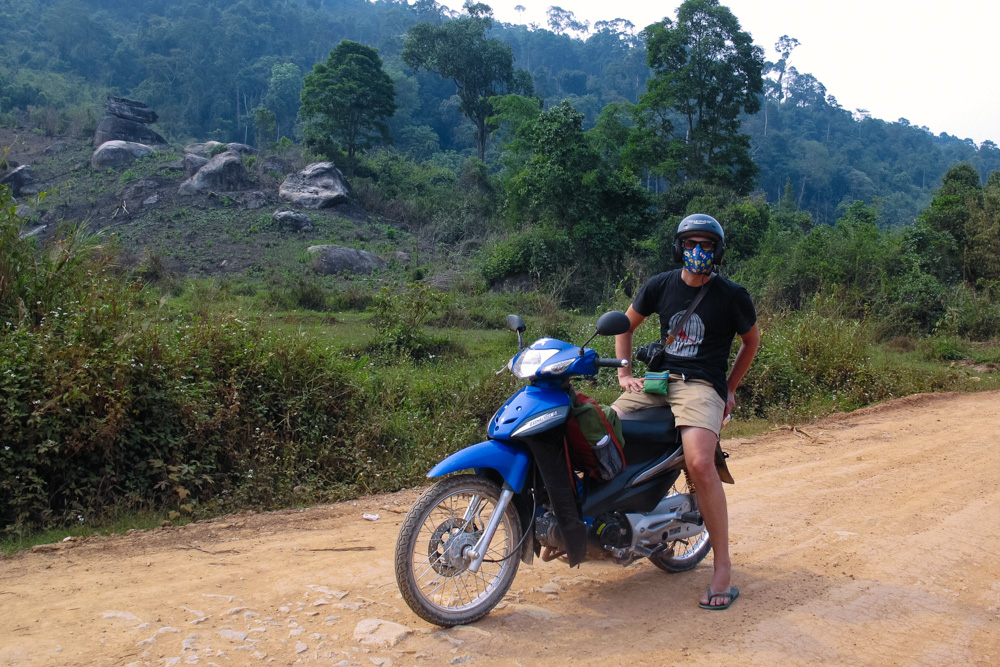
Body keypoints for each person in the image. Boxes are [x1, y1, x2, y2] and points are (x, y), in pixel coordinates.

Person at [611, 213, 760, 610]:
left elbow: (751, 342)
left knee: (699, 462)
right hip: (658, 383)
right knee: (602, 430)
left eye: (706, 245)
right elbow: (624, 325)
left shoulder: (731, 295)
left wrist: (729, 388)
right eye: (691, 244)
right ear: (679, 248)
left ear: (718, 251)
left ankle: (722, 568)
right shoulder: (660, 284)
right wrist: (625, 374)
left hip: (701, 386)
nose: (698, 251)